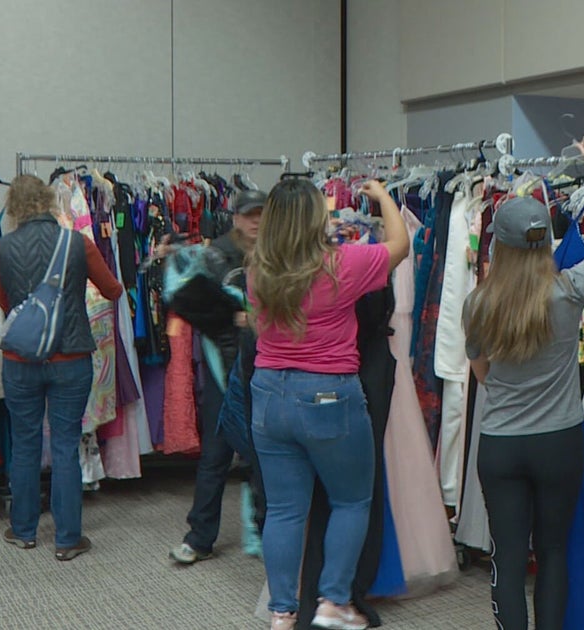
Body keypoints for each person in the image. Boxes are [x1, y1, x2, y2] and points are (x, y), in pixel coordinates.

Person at [462, 134, 584, 630]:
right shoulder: (571, 289)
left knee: (508, 560)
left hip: (501, 445)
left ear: (499, 244)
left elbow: (483, 375)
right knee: (554, 554)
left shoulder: (477, 305)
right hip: (558, 443)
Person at [249, 178, 409, 630]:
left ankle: (282, 611)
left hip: (268, 392)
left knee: (283, 510)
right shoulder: (341, 264)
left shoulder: (257, 268)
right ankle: (333, 601)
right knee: (352, 500)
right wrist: (383, 199)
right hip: (327, 393)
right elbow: (401, 244)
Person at [0, 174, 123, 561]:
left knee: (25, 443)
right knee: (65, 444)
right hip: (71, 357)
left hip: (20, 360)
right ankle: (67, 539)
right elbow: (112, 290)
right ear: (51, 202)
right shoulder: (77, 244)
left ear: (14, 207)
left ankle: (24, 530)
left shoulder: (2, 249)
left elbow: (4, 303)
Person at [170, 187, 268, 565]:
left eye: (262, 213)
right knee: (215, 454)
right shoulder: (216, 254)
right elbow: (190, 304)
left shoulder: (276, 251)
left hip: (263, 367)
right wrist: (230, 317)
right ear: (236, 217)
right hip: (222, 366)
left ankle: (263, 532)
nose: (256, 220)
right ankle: (199, 537)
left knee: (263, 455)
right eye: (250, 214)